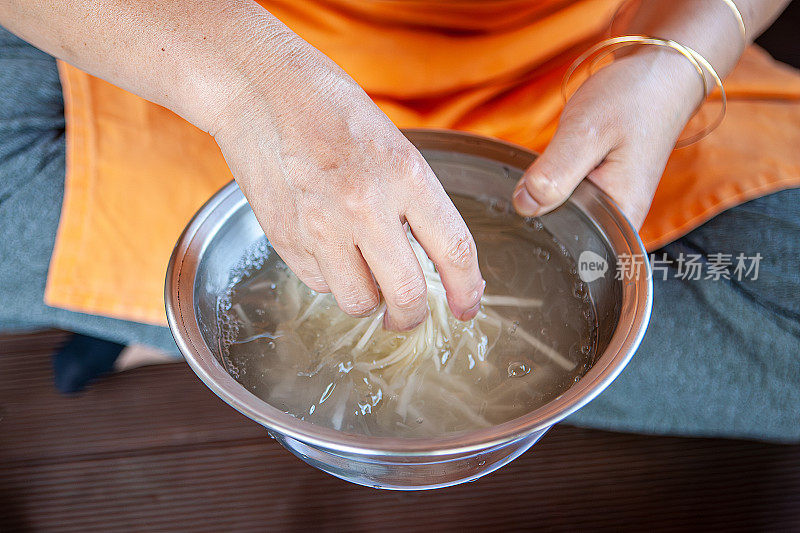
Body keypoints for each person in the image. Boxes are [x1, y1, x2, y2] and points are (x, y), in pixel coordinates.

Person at [0, 1, 797, 440]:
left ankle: (166, 304)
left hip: (586, 67)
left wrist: (674, 59)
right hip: (219, 42)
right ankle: (201, 306)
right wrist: (247, 87)